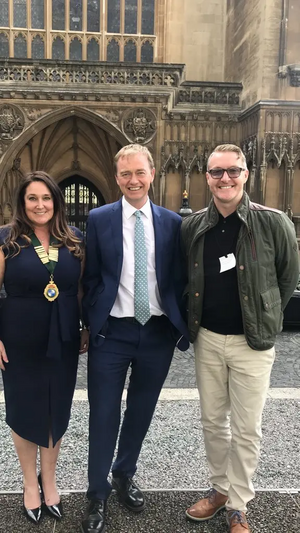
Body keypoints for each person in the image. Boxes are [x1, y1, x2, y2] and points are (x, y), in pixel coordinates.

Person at [181, 144, 299, 533]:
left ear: (246, 174)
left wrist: (265, 317)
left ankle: (238, 504)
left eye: (233, 171)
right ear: (207, 177)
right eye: (217, 172)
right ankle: (219, 490)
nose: (225, 179)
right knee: (213, 422)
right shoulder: (193, 224)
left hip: (253, 343)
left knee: (248, 427)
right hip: (209, 339)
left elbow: (287, 278)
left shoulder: (274, 221)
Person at [81, 144, 189, 533]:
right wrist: (89, 323)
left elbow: (178, 277)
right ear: (116, 178)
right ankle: (97, 494)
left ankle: (123, 474)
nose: (133, 180)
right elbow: (90, 276)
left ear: (153, 173)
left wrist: (180, 323)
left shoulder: (172, 222)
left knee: (140, 412)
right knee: (103, 414)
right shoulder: (99, 218)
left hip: (157, 333)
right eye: (125, 174)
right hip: (112, 332)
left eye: (139, 172)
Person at [0, 171, 88, 524]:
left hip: (63, 337)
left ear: (57, 201)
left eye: (46, 198)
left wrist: (83, 327)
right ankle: (29, 484)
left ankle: (49, 481)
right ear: (23, 203)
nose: (40, 205)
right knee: (24, 410)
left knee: (55, 408)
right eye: (32, 198)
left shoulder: (74, 240)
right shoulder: (7, 239)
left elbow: (80, 289)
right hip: (19, 339)